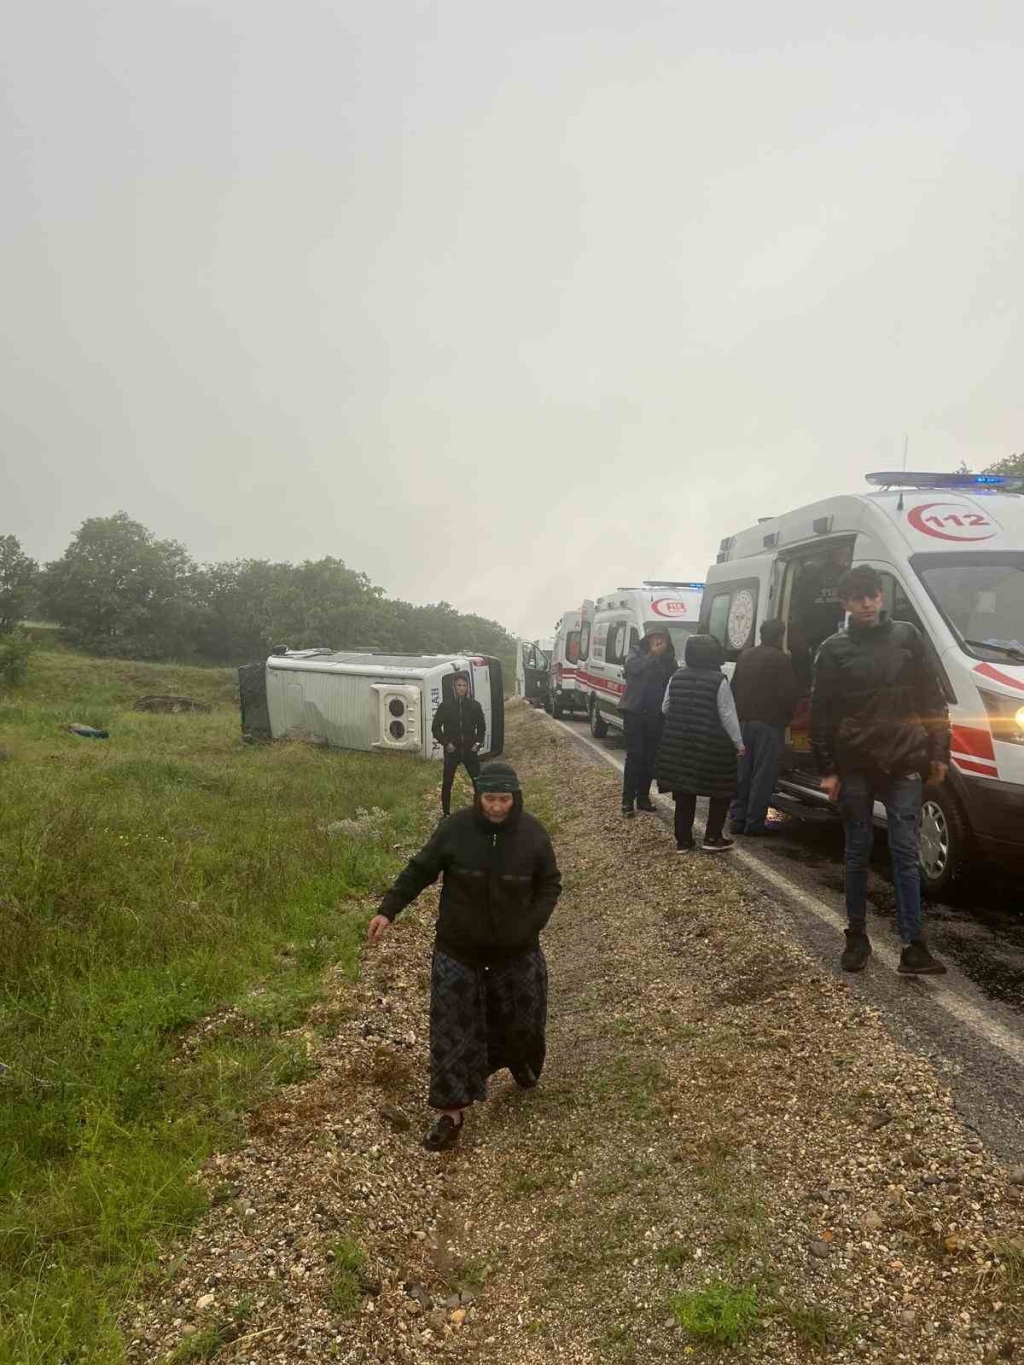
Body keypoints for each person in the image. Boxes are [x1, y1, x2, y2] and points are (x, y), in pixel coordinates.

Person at [366, 761, 561, 1151]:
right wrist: (388, 909)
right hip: (458, 949)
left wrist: (531, 926)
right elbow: (420, 870)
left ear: (516, 798)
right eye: (490, 798)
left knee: (522, 1022)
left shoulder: (533, 835)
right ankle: (450, 1112)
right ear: (477, 797)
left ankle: (520, 1063)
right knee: (450, 1030)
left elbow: (549, 884)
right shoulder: (454, 829)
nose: (497, 807)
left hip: (515, 950)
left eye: (504, 799)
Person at [811, 564, 951, 976]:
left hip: (905, 762)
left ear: (882, 597)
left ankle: (913, 945)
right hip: (854, 766)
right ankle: (856, 937)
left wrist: (939, 751)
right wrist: (828, 770)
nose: (867, 603)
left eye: (872, 595)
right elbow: (821, 714)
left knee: (906, 853)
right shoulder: (832, 649)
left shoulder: (907, 637)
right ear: (846, 604)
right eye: (858, 597)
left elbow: (933, 699)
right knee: (857, 852)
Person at [654, 634, 745, 853]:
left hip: (680, 743)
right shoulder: (718, 680)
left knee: (684, 792)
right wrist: (739, 743)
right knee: (720, 790)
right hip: (711, 746)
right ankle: (712, 838)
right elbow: (728, 715)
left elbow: (665, 707)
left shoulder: (676, 676)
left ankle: (683, 842)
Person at [729, 620, 798, 836]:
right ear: (780, 636)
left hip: (743, 722)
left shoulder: (745, 656)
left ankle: (737, 818)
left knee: (743, 771)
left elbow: (734, 686)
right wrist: (786, 719)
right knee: (762, 774)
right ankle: (754, 823)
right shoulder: (782, 659)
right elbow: (789, 695)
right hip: (769, 724)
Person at [619, 627, 677, 818]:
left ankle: (643, 797)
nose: (659, 642)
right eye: (655, 638)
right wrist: (652, 655)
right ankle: (627, 800)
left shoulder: (669, 659)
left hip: (656, 713)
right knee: (635, 755)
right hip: (634, 711)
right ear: (649, 639)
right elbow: (632, 668)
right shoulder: (637, 651)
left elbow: (672, 678)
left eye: (662, 638)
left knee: (650, 758)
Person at [431, 673, 487, 818]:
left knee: (478, 782)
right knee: (447, 782)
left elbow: (482, 727)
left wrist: (477, 744)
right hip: (452, 751)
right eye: (458, 685)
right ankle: (446, 813)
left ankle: (479, 810)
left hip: (470, 751)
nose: (461, 688)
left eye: (464, 685)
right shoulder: (445, 706)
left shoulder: (474, 705)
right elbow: (435, 728)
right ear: (454, 688)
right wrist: (446, 743)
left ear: (467, 687)